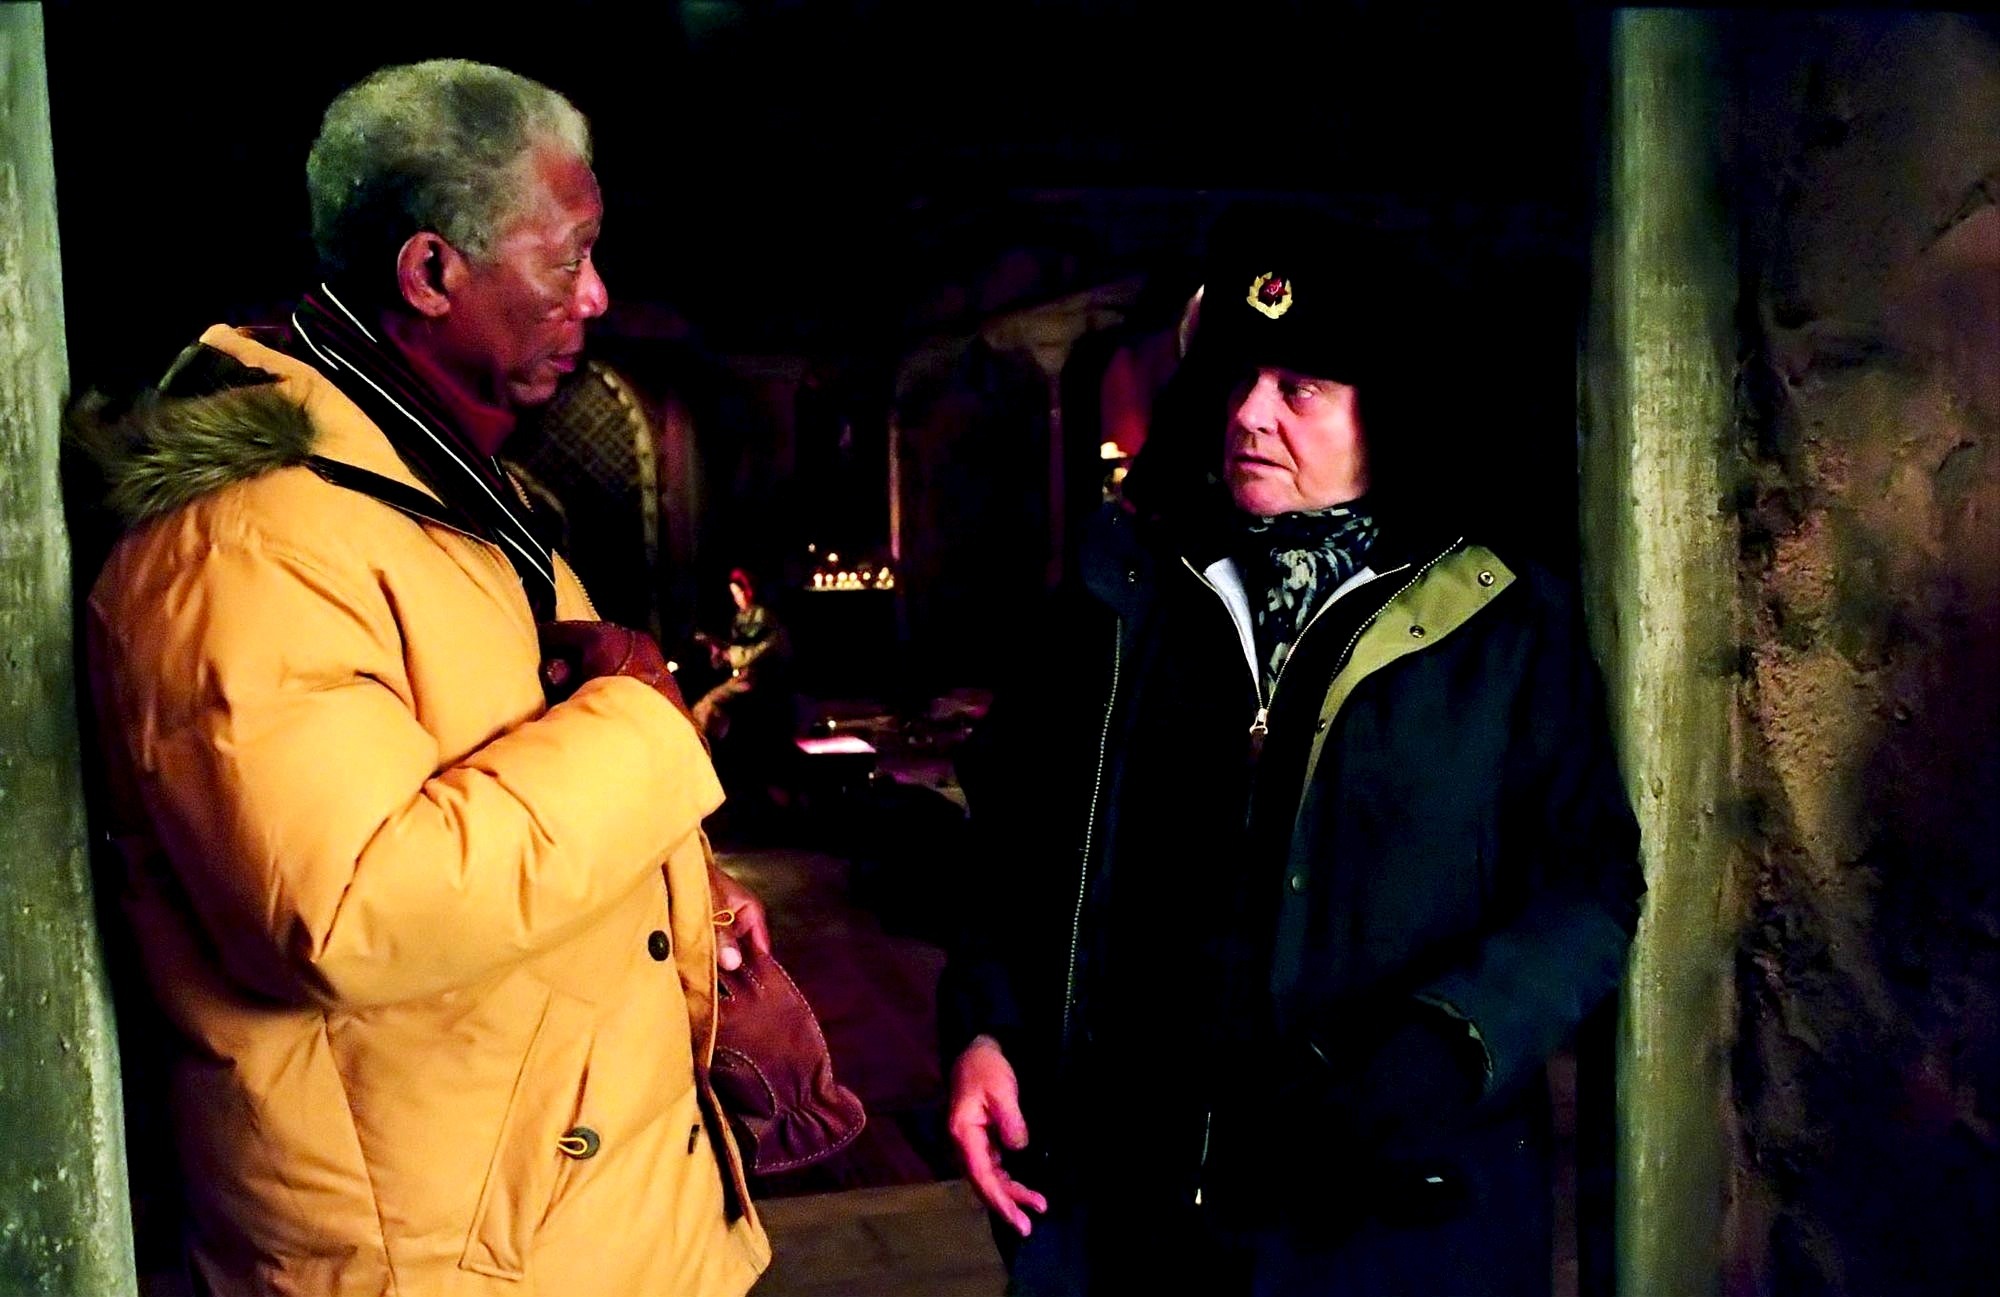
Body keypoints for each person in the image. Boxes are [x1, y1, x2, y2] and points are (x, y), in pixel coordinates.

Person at [70, 60, 771, 1297]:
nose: (597, 295)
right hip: (456, 1259)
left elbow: (493, 786)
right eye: (569, 257)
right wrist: (640, 721)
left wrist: (682, 883)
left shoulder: (435, 482)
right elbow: (346, 909)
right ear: (432, 272)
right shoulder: (246, 542)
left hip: (568, 1223)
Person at [939, 204, 1645, 1295]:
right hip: (1129, 1214)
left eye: (1300, 387)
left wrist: (1451, 1042)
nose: (1249, 414)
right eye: (1237, 378)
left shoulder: (1499, 628)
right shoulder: (1122, 596)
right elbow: (1010, 837)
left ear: (1388, 411)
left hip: (1387, 1220)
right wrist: (984, 1025)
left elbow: (1590, 883)